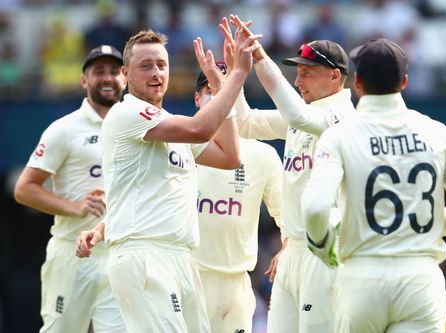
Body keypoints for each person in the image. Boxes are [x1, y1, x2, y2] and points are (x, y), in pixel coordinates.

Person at [301, 38, 446, 332]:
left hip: (361, 279)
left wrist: (323, 247)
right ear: (405, 81)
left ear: (356, 82)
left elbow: (316, 207)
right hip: (420, 280)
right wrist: (418, 225)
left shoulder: (339, 136)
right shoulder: (437, 132)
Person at [75, 29, 262, 332]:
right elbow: (200, 130)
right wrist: (238, 73)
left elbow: (229, 157)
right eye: (145, 65)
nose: (156, 73)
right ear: (126, 75)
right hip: (144, 254)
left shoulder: (169, 124)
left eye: (161, 65)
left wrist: (218, 83)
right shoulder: (128, 113)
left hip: (182, 257)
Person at [222, 15, 356, 333]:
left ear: (335, 76)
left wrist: (258, 56)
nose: (298, 82)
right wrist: (233, 78)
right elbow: (245, 124)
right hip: (292, 251)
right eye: (297, 74)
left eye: (307, 74)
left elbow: (296, 113)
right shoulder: (307, 116)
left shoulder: (342, 118)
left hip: (324, 251)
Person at [14, 45, 127, 333]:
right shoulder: (64, 129)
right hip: (72, 255)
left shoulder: (135, 127)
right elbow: (24, 189)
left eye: (114, 71)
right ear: (84, 80)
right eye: (98, 71)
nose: (107, 78)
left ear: (125, 77)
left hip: (119, 255)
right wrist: (75, 208)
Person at [191, 62, 283, 333]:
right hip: (185, 276)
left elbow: (286, 214)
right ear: (197, 98)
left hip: (235, 284)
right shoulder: (178, 143)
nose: (219, 97)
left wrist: (288, 244)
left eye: (226, 90)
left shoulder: (263, 155)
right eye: (211, 89)